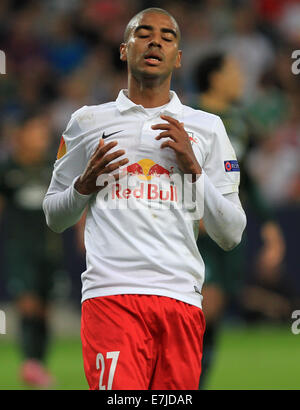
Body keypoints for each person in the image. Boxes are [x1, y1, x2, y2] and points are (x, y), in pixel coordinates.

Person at [43, 8, 246, 390]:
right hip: (111, 296)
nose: (155, 41)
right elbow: (54, 216)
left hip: (181, 298)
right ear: (124, 50)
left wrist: (194, 171)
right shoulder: (86, 123)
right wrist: (83, 186)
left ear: (178, 57)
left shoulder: (207, 127)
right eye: (144, 33)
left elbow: (231, 232)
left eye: (167, 36)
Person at [193, 52, 285, 388]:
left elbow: (246, 179)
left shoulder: (240, 122)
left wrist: (271, 227)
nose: (240, 78)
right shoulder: (188, 115)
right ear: (215, 77)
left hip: (226, 228)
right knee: (206, 304)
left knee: (215, 310)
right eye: (234, 71)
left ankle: (195, 383)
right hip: (193, 231)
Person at [0, 112, 62, 388]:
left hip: (49, 246)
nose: (41, 138)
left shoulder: (53, 168)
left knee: (45, 309)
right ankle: (30, 363)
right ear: (21, 135)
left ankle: (38, 363)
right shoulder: (8, 169)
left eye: (43, 133)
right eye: (36, 132)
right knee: (27, 304)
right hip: (19, 248)